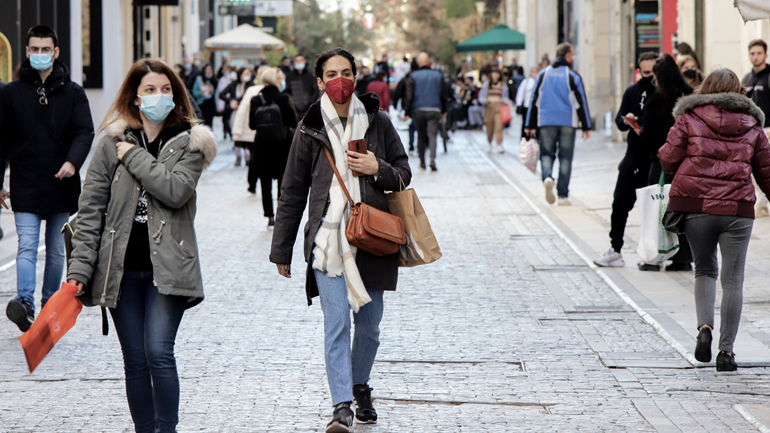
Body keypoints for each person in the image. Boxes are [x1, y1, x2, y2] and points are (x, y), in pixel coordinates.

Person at [67, 58, 216, 432]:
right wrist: (80, 271)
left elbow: (175, 190)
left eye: (166, 89)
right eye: (150, 89)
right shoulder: (109, 144)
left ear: (176, 94)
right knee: (134, 359)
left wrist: (133, 156)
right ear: (135, 97)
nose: (158, 96)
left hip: (168, 267)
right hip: (119, 268)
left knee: (158, 352)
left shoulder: (191, 142)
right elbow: (90, 212)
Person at [270, 47, 411, 433]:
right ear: (319, 81)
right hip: (327, 243)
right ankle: (342, 406)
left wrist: (376, 167)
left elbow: (403, 172)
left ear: (356, 75)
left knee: (369, 327)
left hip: (373, 238)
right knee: (336, 325)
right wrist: (281, 249)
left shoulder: (378, 122)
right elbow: (293, 190)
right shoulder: (309, 127)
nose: (340, 80)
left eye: (346, 72)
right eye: (331, 74)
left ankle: (359, 384)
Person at [659, 68, 770, 371]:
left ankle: (703, 329)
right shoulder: (753, 126)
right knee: (733, 280)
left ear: (706, 87)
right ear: (738, 90)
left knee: (704, 270)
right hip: (737, 210)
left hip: (696, 205)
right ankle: (726, 353)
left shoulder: (689, 118)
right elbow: (766, 173)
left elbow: (668, 159)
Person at [0, 25, 94, 332]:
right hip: (25, 182)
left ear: (55, 52)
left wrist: (72, 162)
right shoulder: (11, 93)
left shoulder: (73, 92)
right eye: (35, 49)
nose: (40, 54)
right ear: (27, 52)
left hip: (61, 184)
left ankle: (49, 306)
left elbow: (84, 131)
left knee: (55, 249)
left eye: (46, 49)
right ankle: (24, 304)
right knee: (26, 245)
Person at [594, 52, 658, 268]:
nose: (648, 77)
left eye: (652, 72)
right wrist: (629, 120)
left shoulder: (662, 93)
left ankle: (654, 253)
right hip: (634, 154)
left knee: (653, 207)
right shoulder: (633, 91)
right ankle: (615, 249)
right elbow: (619, 121)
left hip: (654, 157)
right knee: (620, 201)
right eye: (644, 72)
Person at [637, 54, 694, 272]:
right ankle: (682, 258)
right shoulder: (688, 99)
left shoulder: (657, 102)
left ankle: (655, 256)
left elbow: (648, 137)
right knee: (684, 212)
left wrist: (640, 130)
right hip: (687, 166)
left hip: (661, 164)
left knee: (656, 209)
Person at [525, 42, 592, 206]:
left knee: (546, 154)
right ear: (568, 56)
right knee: (565, 158)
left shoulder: (542, 74)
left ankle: (547, 177)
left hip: (546, 120)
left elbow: (534, 100)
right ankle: (563, 195)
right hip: (567, 122)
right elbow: (581, 101)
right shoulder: (573, 76)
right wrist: (586, 125)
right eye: (573, 54)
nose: (573, 57)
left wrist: (530, 124)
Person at [248, 68, 298, 227]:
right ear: (277, 80)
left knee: (265, 184)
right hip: (282, 147)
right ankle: (281, 213)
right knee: (282, 183)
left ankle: (269, 215)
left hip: (262, 148)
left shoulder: (256, 100)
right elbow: (293, 122)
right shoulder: (284, 98)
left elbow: (252, 125)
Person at [406, 52, 449, 171]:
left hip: (418, 109)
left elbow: (409, 95)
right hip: (435, 109)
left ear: (418, 63)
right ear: (429, 62)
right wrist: (444, 110)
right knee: (432, 135)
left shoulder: (413, 76)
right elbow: (444, 95)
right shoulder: (438, 76)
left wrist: (407, 111)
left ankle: (422, 162)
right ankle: (432, 159)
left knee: (420, 135)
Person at [743, 39, 770, 217]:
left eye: (759, 53)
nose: (756, 56)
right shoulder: (747, 78)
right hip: (751, 130)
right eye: (752, 53)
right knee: (753, 167)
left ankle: (765, 203)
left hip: (768, 129)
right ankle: (760, 204)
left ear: (765, 54)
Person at [232, 66, 270, 192]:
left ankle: (252, 184)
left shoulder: (252, 90)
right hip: (257, 131)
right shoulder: (255, 90)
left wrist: (237, 131)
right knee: (258, 158)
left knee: (255, 158)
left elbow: (242, 110)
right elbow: (242, 110)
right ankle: (254, 184)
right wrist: (237, 130)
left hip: (254, 131)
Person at [219, 67, 254, 166]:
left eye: (249, 73)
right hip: (235, 112)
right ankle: (238, 155)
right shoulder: (234, 84)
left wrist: (237, 100)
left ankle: (248, 155)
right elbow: (221, 94)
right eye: (245, 73)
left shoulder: (251, 85)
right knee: (236, 133)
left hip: (247, 112)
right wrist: (230, 101)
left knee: (247, 133)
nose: (248, 75)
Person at [478, 68, 511, 154]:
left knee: (498, 126)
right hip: (489, 107)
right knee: (489, 126)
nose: (495, 75)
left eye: (497, 74)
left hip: (499, 108)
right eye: (494, 73)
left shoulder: (503, 86)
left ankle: (499, 144)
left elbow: (505, 97)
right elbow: (481, 96)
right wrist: (484, 101)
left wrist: (505, 101)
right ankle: (489, 142)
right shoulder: (486, 85)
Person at [286, 54, 320, 120]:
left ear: (304, 61)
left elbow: (315, 90)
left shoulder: (311, 75)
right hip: (294, 111)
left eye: (301, 60)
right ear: (294, 62)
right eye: (297, 61)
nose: (299, 62)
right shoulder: (290, 76)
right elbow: (288, 91)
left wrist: (311, 102)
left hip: (309, 109)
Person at [515, 67, 539, 140]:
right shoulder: (526, 82)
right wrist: (519, 104)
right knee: (526, 125)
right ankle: (525, 140)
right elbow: (520, 93)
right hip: (527, 107)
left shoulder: (540, 81)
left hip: (537, 107)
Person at [194, 63, 217, 127]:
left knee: (210, 123)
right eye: (207, 69)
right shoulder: (199, 79)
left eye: (210, 69)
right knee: (202, 122)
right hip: (202, 104)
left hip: (211, 104)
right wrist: (200, 93)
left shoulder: (214, 79)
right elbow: (194, 91)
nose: (209, 71)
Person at [216, 64, 236, 140]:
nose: (222, 72)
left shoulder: (234, 78)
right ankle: (225, 132)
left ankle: (231, 133)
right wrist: (220, 106)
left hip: (233, 102)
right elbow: (220, 93)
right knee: (225, 119)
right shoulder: (222, 79)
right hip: (225, 102)